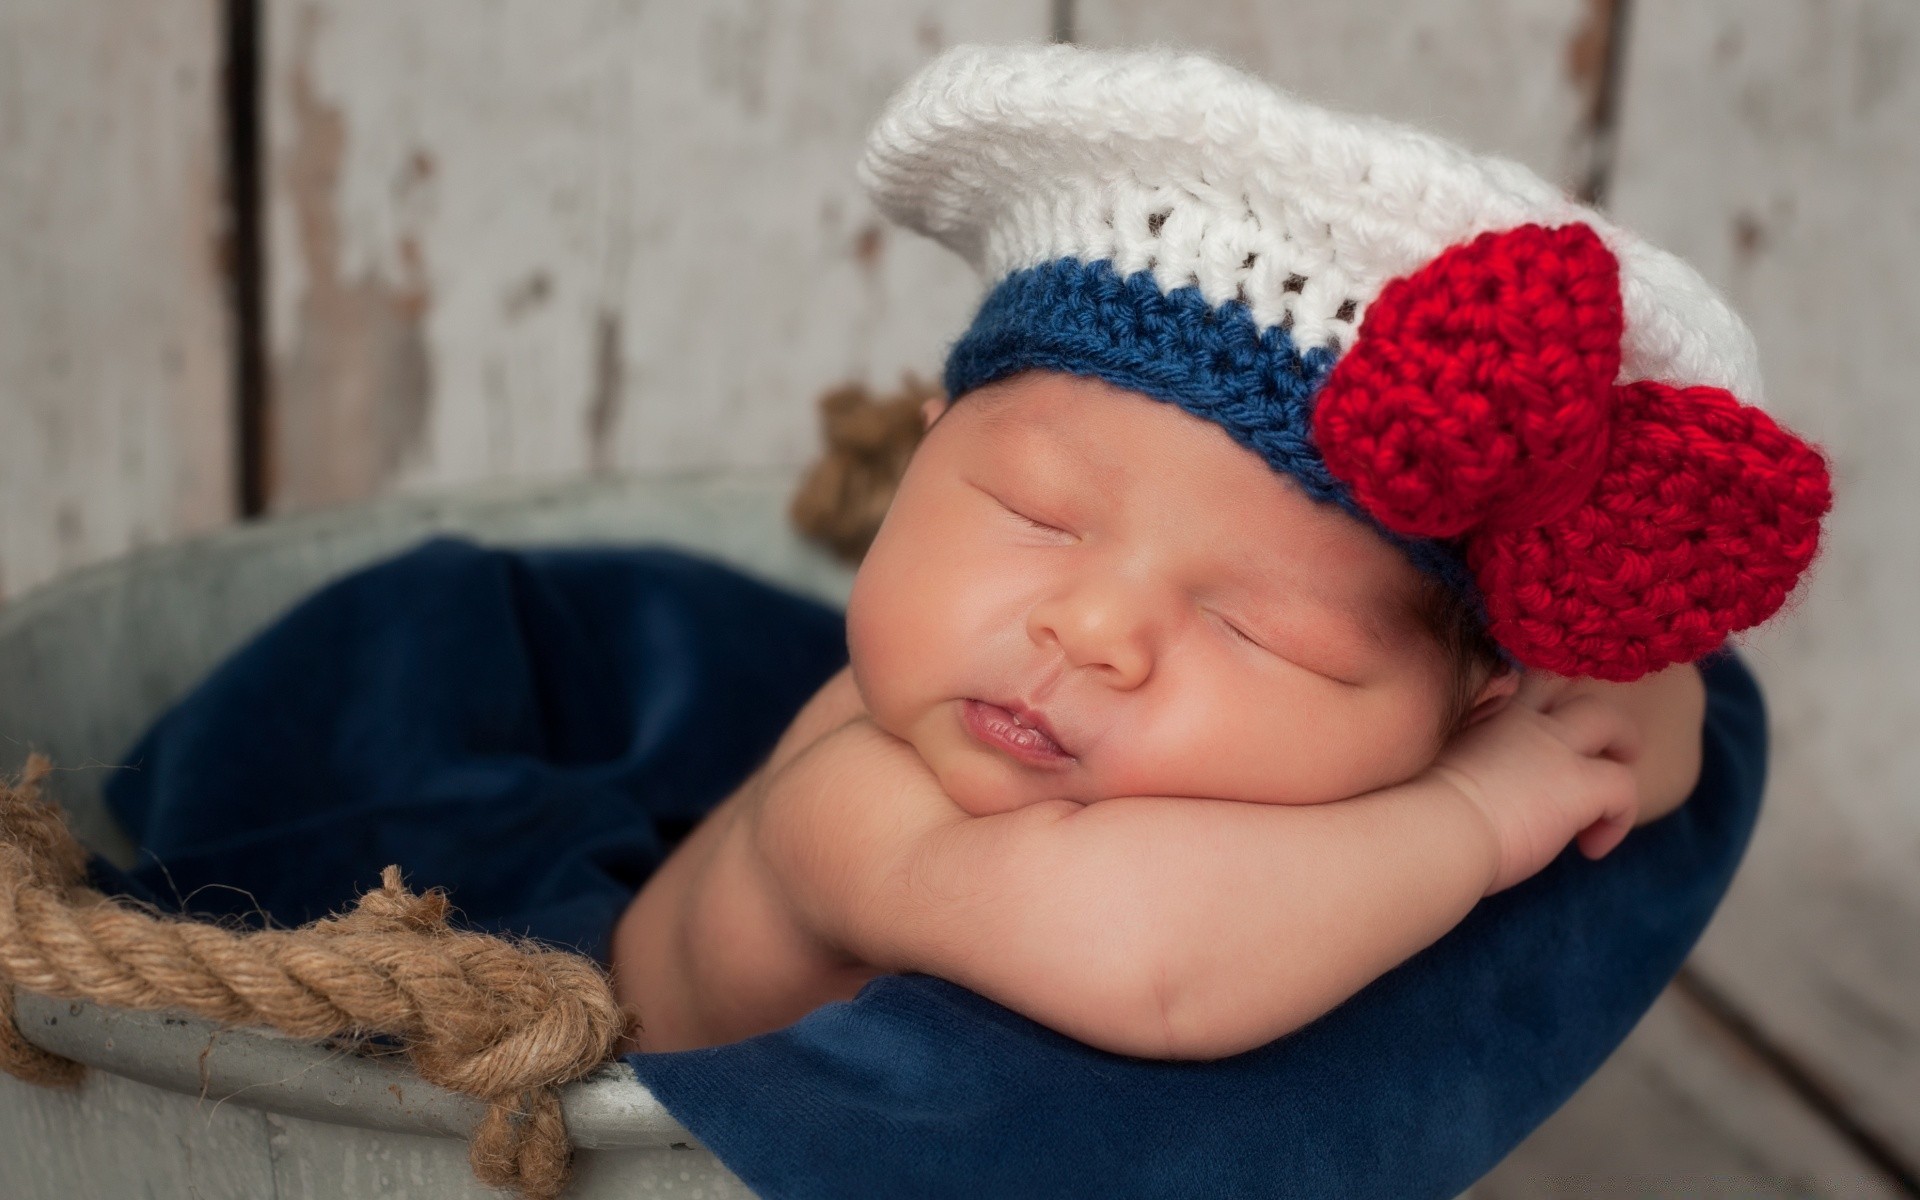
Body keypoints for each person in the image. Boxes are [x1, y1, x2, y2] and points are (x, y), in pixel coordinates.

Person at [608, 43, 1830, 1059]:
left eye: (1260, 631)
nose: (1092, 631)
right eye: (1036, 513)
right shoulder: (862, 795)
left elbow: (1646, 733)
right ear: (919, 462)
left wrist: (1605, 708)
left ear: (1467, 707)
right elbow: (1148, 962)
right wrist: (1478, 809)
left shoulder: (1392, 744)